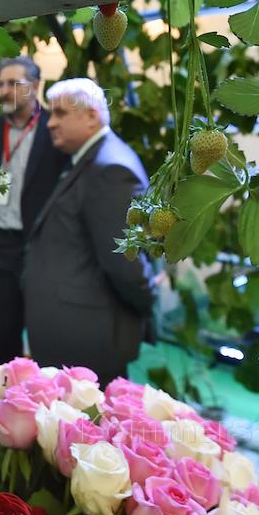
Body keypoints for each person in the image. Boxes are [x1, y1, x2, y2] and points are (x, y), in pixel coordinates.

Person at [23, 78, 154, 384]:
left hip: (85, 339)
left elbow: (123, 261)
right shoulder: (93, 159)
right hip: (74, 331)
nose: (50, 123)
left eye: (60, 113)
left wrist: (148, 298)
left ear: (92, 116)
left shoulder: (110, 169)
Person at [0, 57, 68, 362]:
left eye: (14, 84)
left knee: (46, 341)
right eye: (1, 84)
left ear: (36, 86)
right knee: (2, 339)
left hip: (38, 248)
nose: (4, 91)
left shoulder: (54, 129)